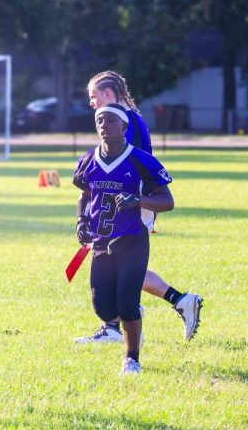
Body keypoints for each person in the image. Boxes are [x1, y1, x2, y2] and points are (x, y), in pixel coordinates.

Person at [75, 71, 202, 344]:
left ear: (108, 94)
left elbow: (127, 164)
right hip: (130, 201)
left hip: (132, 202)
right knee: (122, 265)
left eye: (94, 96)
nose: (92, 103)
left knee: (123, 265)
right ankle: (173, 303)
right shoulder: (130, 117)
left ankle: (121, 326)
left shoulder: (124, 121)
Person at [73, 104, 178, 375]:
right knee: (103, 307)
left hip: (132, 240)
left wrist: (137, 200)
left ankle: (132, 358)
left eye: (110, 120)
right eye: (99, 120)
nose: (104, 125)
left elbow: (167, 201)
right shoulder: (89, 160)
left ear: (124, 126)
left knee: (127, 303)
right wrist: (81, 221)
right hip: (100, 242)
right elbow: (84, 195)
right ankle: (133, 319)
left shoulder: (140, 160)